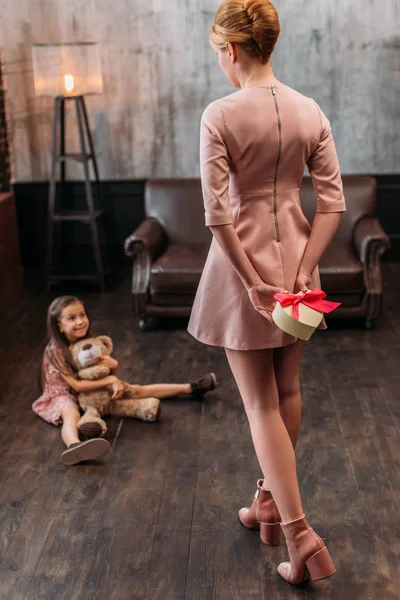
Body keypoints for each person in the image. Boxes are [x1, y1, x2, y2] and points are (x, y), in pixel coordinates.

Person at [187, 0, 346, 586]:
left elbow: (217, 214)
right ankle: (268, 507)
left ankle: (302, 535)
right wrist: (305, 269)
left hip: (243, 266)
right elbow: (332, 203)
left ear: (230, 50)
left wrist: (254, 283)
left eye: (219, 54)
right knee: (287, 391)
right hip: (298, 260)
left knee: (259, 405)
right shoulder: (310, 110)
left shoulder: (219, 113)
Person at [33, 296, 217, 466]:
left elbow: (102, 374)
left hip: (89, 392)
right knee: (70, 413)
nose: (80, 321)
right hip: (64, 394)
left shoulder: (88, 342)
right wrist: (111, 379)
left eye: (82, 315)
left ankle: (191, 388)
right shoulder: (55, 350)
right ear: (59, 325)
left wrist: (114, 368)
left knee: (137, 390)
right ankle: (74, 446)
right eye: (71, 318)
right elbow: (76, 385)